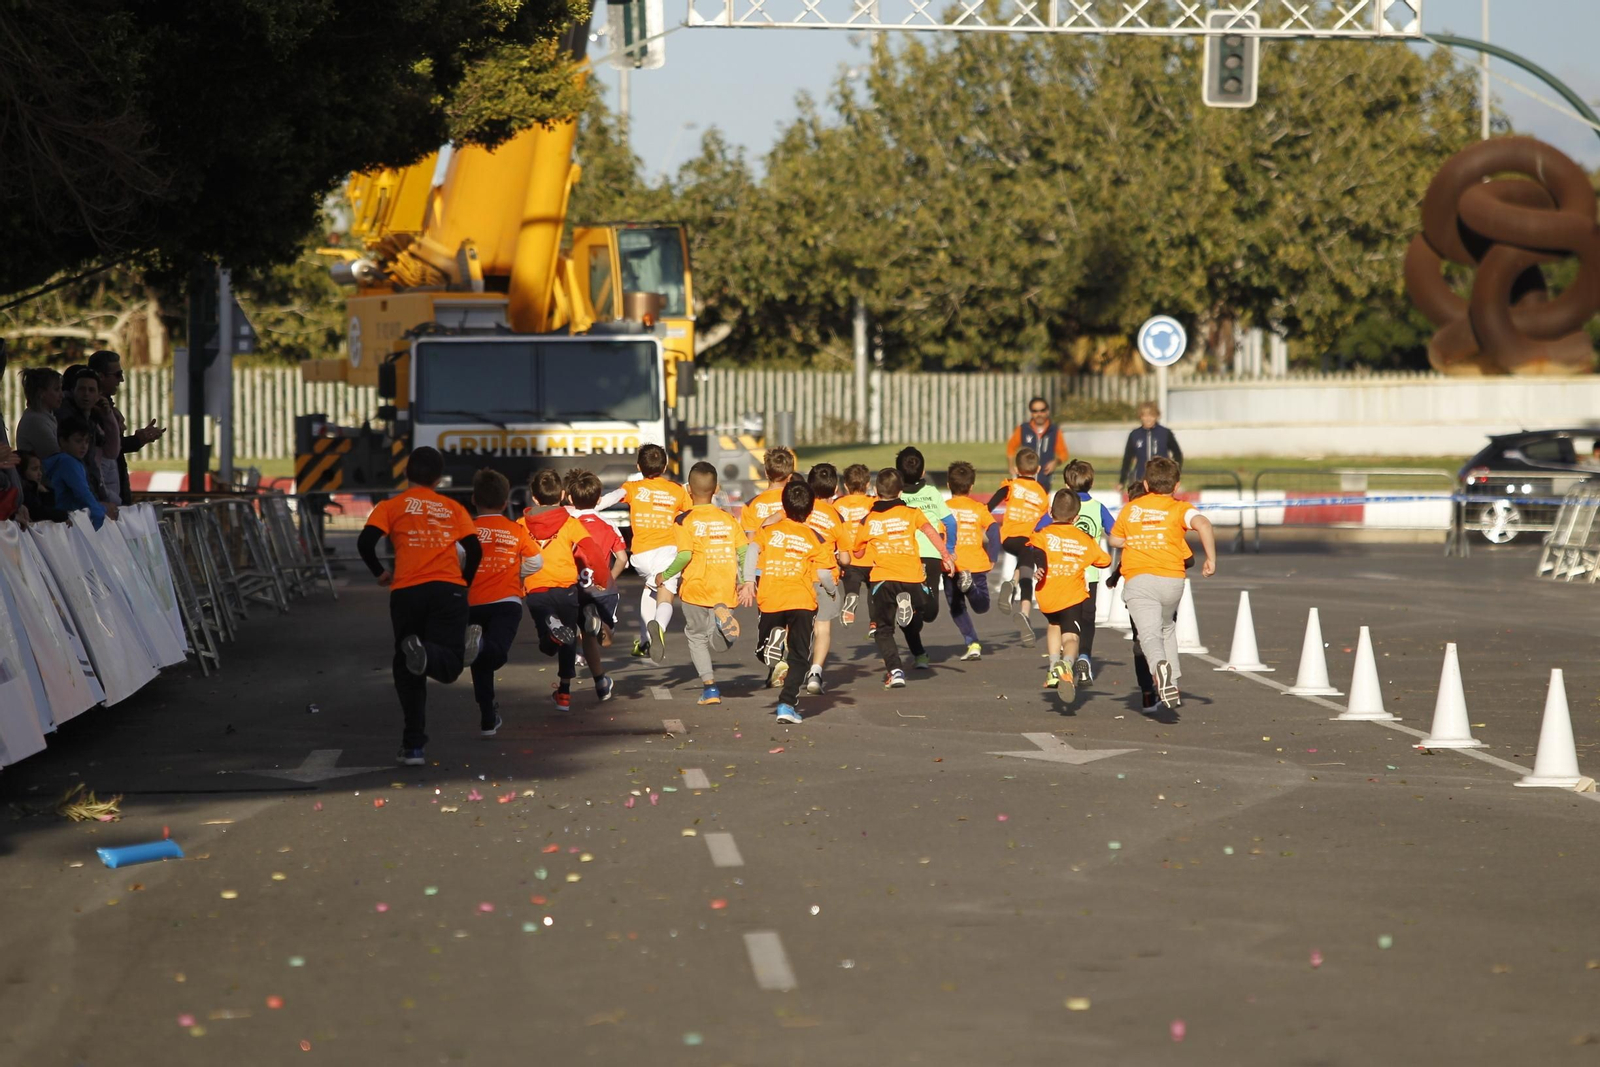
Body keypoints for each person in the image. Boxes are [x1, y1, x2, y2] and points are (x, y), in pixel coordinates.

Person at [357, 446, 484, 765]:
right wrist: (464, 582)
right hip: (447, 590)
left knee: (406, 666)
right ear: (440, 478)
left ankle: (413, 746)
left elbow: (365, 542)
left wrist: (381, 572)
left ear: (405, 473)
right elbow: (474, 550)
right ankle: (430, 653)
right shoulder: (453, 508)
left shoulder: (390, 506)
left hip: (406, 592)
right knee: (452, 663)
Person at [1108, 456, 1216, 710]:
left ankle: (1160, 670)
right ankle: (1174, 683)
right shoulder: (1180, 508)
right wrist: (1211, 558)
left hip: (1140, 579)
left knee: (1148, 635)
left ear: (1145, 485)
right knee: (1166, 627)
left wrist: (1133, 540)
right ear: (1176, 486)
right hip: (1172, 581)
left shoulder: (1132, 509)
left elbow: (1114, 540)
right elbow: (1204, 524)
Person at [739, 480, 834, 724]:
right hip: (802, 600)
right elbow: (824, 574)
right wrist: (832, 591)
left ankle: (772, 640)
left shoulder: (769, 531)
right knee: (800, 657)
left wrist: (749, 580)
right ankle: (786, 705)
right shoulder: (816, 538)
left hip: (771, 597)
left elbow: (751, 551)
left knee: (763, 650)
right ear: (811, 511)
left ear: (783, 506)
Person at [851, 468, 954, 689]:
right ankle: (910, 608)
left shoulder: (869, 519)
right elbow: (930, 531)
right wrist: (946, 555)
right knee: (924, 607)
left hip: (882, 580)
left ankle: (895, 671)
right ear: (900, 492)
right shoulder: (912, 512)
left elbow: (857, 552)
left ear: (876, 492)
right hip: (912, 577)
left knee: (883, 629)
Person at [657, 461, 746, 705]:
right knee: (717, 642)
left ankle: (710, 688)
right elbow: (744, 551)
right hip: (725, 587)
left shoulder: (683, 520)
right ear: (716, 489)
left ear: (688, 490)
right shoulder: (728, 519)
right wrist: (746, 579)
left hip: (696, 588)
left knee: (696, 637)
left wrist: (665, 575)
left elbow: (684, 555)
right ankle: (720, 624)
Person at [466, 469, 543, 737]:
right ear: (504, 503)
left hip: (472, 603)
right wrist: (514, 572)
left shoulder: (467, 530)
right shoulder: (515, 530)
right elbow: (536, 561)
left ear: (474, 499)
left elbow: (456, 559)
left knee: (478, 661)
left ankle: (488, 717)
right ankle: (483, 645)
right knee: (494, 653)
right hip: (506, 601)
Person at [522, 468, 606, 708]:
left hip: (537, 589)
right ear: (561, 494)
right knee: (569, 640)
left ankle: (551, 630)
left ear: (534, 497)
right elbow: (592, 551)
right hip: (567, 590)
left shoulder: (520, 525)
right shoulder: (570, 523)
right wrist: (601, 578)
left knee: (548, 645)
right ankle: (565, 695)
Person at [606, 444, 689, 662]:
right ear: (665, 467)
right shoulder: (677, 490)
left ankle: (644, 641)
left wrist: (587, 509)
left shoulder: (632, 487)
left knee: (650, 588)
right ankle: (659, 628)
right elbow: (691, 515)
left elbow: (613, 497)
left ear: (638, 466)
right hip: (668, 552)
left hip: (641, 555)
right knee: (666, 595)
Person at [1029, 491, 1111, 705]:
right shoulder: (1084, 539)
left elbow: (1034, 549)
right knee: (1072, 637)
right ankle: (1066, 665)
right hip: (1071, 597)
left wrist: (1041, 566)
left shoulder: (1044, 534)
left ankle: (1052, 667)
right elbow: (1105, 561)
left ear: (1050, 512)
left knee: (1054, 624)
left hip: (1047, 595)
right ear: (1076, 518)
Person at [896, 446, 958, 667]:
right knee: (929, 611)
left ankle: (918, 651)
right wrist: (949, 550)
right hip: (930, 555)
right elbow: (950, 522)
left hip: (905, 556)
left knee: (911, 611)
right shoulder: (932, 492)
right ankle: (919, 653)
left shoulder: (897, 495)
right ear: (923, 472)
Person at [564, 469, 629, 680]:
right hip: (604, 589)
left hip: (577, 587)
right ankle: (598, 627)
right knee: (606, 640)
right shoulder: (608, 525)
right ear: (599, 499)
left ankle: (581, 649)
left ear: (571, 498)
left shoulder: (568, 525)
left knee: (582, 626)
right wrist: (609, 577)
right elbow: (622, 559)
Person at [1058, 459, 1116, 687]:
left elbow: (1040, 528)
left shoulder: (1062, 504)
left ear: (1065, 482)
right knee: (1088, 619)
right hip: (1090, 573)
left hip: (1064, 573)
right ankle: (1084, 658)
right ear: (1091, 482)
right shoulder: (1099, 507)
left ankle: (1065, 659)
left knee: (1067, 619)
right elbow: (1115, 533)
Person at [988, 447, 1049, 646]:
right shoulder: (1042, 494)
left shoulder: (1011, 485)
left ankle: (1011, 584)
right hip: (1028, 539)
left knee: (1024, 560)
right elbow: (1043, 522)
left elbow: (990, 504)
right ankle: (1024, 611)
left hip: (1008, 538)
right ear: (1038, 469)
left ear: (1015, 468)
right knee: (1027, 573)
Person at [88, 350, 166, 504]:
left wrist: (138, 440)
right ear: (100, 376)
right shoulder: (92, 409)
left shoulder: (105, 405)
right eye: (117, 375)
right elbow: (105, 447)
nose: (121, 380)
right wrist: (137, 440)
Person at [944, 461, 999, 661]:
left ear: (948, 485)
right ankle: (972, 589)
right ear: (972, 486)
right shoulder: (979, 508)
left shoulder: (943, 508)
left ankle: (972, 642)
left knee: (956, 607)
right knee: (982, 606)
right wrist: (993, 556)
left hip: (952, 565)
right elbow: (993, 530)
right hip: (976, 564)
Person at [44, 416, 112, 528]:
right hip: (69, 521)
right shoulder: (68, 462)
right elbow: (83, 493)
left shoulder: (65, 461)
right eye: (78, 441)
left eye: (87, 441)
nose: (84, 446)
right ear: (62, 441)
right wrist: (100, 512)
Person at [61, 365, 113, 505]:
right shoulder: (66, 418)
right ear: (73, 391)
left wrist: (108, 416)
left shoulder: (91, 419)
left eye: (91, 390)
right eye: (82, 389)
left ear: (98, 395)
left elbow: (112, 449)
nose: (86, 394)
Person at [833, 463, 875, 626]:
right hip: (871, 557)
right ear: (868, 484)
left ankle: (851, 596)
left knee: (851, 583)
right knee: (874, 591)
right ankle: (874, 624)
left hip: (848, 558)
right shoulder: (873, 502)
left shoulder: (837, 504)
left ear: (845, 485)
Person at [1118, 401, 1184, 491]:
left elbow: (1178, 454)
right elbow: (1127, 459)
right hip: (1141, 479)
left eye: (1151, 416)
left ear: (1156, 416)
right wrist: (1122, 481)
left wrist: (1174, 475)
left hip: (1162, 480)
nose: (1148, 419)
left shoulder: (1165, 433)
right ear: (1140, 417)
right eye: (1145, 416)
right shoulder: (1135, 435)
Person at [1007, 396, 1069, 482]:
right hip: (1025, 479)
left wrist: (1055, 462)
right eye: (1035, 411)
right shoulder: (1023, 429)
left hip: (1044, 479)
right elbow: (1011, 448)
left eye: (1042, 410)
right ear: (1031, 413)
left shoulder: (1054, 431)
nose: (1039, 414)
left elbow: (1063, 453)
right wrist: (1011, 467)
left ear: (1047, 411)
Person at [739, 446, 796, 540]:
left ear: (766, 473)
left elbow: (750, 542)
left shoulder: (750, 505)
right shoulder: (798, 501)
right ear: (790, 477)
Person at [16, 367, 64, 459]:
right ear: (41, 393)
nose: (62, 395)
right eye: (56, 390)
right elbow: (56, 454)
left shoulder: (44, 417)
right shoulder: (35, 421)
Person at [17, 451, 68, 523]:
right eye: (34, 469)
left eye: (39, 469)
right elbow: (40, 512)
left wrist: (45, 492)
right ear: (21, 472)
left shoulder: (41, 489)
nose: (40, 474)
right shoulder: (24, 494)